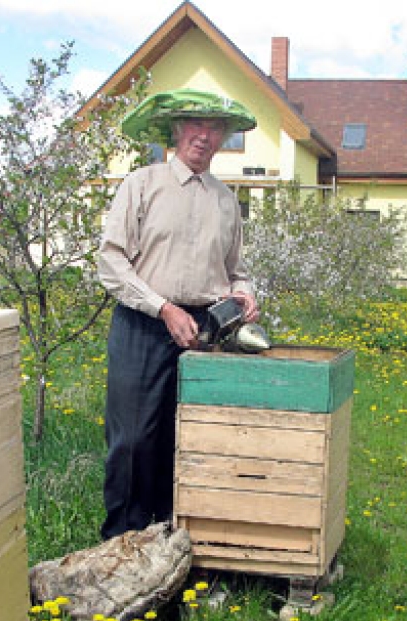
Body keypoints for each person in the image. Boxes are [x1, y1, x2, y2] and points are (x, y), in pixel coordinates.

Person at [97, 89, 259, 540]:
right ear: (175, 129)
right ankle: (122, 545)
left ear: (224, 137)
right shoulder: (142, 184)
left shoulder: (226, 201)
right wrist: (163, 308)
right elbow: (111, 261)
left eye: (215, 128)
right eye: (195, 124)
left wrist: (244, 294)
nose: (204, 136)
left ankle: (174, 541)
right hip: (144, 324)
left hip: (204, 331)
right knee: (134, 440)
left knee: (188, 438)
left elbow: (236, 271)